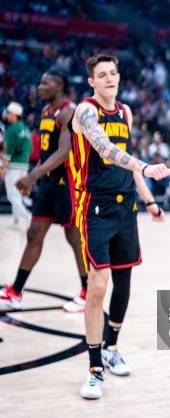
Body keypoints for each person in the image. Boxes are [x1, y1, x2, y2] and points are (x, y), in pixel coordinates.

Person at [70, 53, 170, 399]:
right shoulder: (84, 112)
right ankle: (95, 368)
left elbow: (127, 167)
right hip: (95, 208)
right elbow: (106, 150)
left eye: (113, 72)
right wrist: (145, 166)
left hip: (126, 208)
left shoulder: (125, 112)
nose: (110, 78)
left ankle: (111, 347)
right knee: (98, 288)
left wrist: (150, 201)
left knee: (124, 282)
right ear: (92, 82)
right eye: (102, 74)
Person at [0, 71, 88, 313]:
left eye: (45, 83)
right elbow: (48, 155)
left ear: (59, 87)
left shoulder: (69, 112)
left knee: (74, 238)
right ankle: (15, 292)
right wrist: (32, 178)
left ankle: (87, 292)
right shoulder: (46, 112)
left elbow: (64, 152)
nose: (39, 87)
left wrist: (32, 175)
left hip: (67, 183)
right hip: (48, 183)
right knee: (34, 234)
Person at [3, 102, 32, 230]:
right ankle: (16, 221)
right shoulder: (26, 129)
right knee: (18, 195)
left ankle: (27, 216)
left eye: (9, 113)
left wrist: (3, 167)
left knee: (12, 195)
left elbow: (8, 151)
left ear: (15, 115)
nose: (7, 115)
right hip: (24, 165)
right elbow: (30, 149)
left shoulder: (11, 130)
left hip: (13, 166)